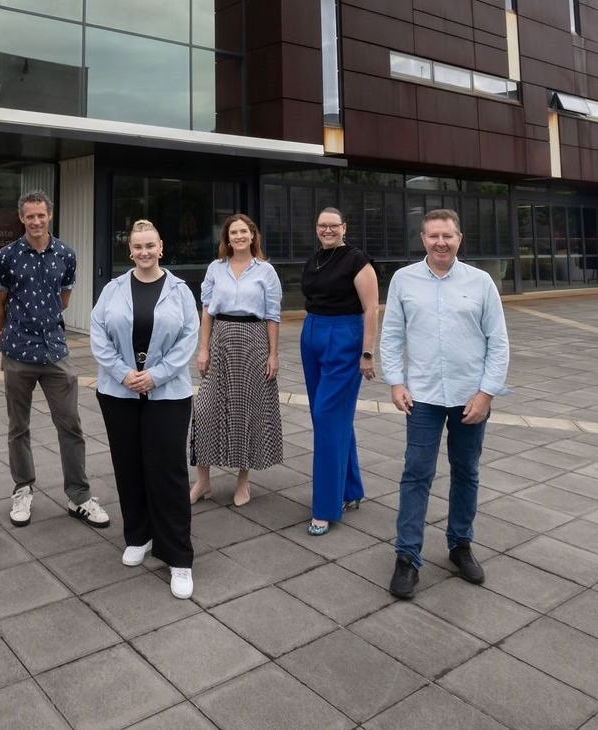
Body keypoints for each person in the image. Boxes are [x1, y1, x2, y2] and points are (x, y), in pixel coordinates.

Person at [381, 208, 510, 599]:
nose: (441, 242)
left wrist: (487, 392)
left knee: (466, 471)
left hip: (470, 396)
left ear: (459, 238)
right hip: (422, 397)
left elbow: (498, 342)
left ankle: (460, 545)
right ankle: (407, 557)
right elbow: (391, 337)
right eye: (434, 235)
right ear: (423, 239)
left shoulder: (481, 281)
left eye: (448, 236)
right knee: (416, 473)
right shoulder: (404, 280)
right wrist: (395, 382)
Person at [91, 220, 199, 599]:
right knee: (129, 464)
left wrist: (155, 375)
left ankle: (178, 556)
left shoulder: (180, 291)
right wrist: (124, 374)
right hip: (119, 392)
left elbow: (189, 337)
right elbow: (97, 335)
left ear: (161, 246)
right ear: (130, 251)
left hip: (167, 393)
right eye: (137, 246)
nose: (144, 252)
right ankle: (138, 535)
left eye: (150, 245)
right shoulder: (113, 290)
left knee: (167, 470)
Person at [0, 190, 110, 529]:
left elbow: (65, 298)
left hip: (56, 352)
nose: (36, 221)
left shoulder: (66, 254)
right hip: (17, 353)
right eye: (30, 216)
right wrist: (1, 337)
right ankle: (23, 488)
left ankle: (79, 496)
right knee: (18, 428)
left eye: (41, 215)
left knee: (71, 425)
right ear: (21, 217)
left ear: (50, 215)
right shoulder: (6, 256)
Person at [189, 213, 284, 507]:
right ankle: (202, 480)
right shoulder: (216, 269)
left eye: (244, 231)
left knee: (247, 409)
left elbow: (272, 316)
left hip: (254, 339)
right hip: (221, 338)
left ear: (253, 235)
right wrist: (202, 349)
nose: (239, 236)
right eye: (234, 232)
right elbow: (207, 311)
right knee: (205, 409)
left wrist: (273, 353)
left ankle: (243, 480)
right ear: (227, 238)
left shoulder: (266, 271)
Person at [300, 207, 379, 536]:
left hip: (344, 338)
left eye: (334, 225)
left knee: (328, 417)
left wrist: (367, 353)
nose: (328, 230)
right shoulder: (315, 259)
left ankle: (325, 508)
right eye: (322, 225)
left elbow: (371, 308)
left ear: (344, 227)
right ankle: (350, 489)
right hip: (312, 335)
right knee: (330, 418)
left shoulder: (356, 260)